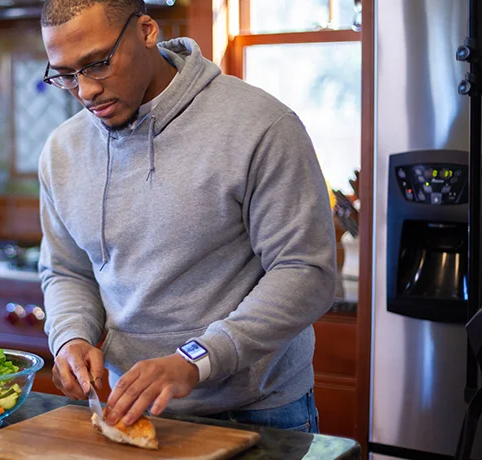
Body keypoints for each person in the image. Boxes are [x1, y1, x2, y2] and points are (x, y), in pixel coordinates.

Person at [37, 0, 337, 433]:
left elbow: (307, 272)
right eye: (65, 74)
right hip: (132, 410)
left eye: (98, 64)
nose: (85, 91)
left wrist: (194, 360)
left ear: (146, 31)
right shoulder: (62, 151)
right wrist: (71, 335)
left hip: (257, 414)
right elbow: (67, 270)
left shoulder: (260, 126)